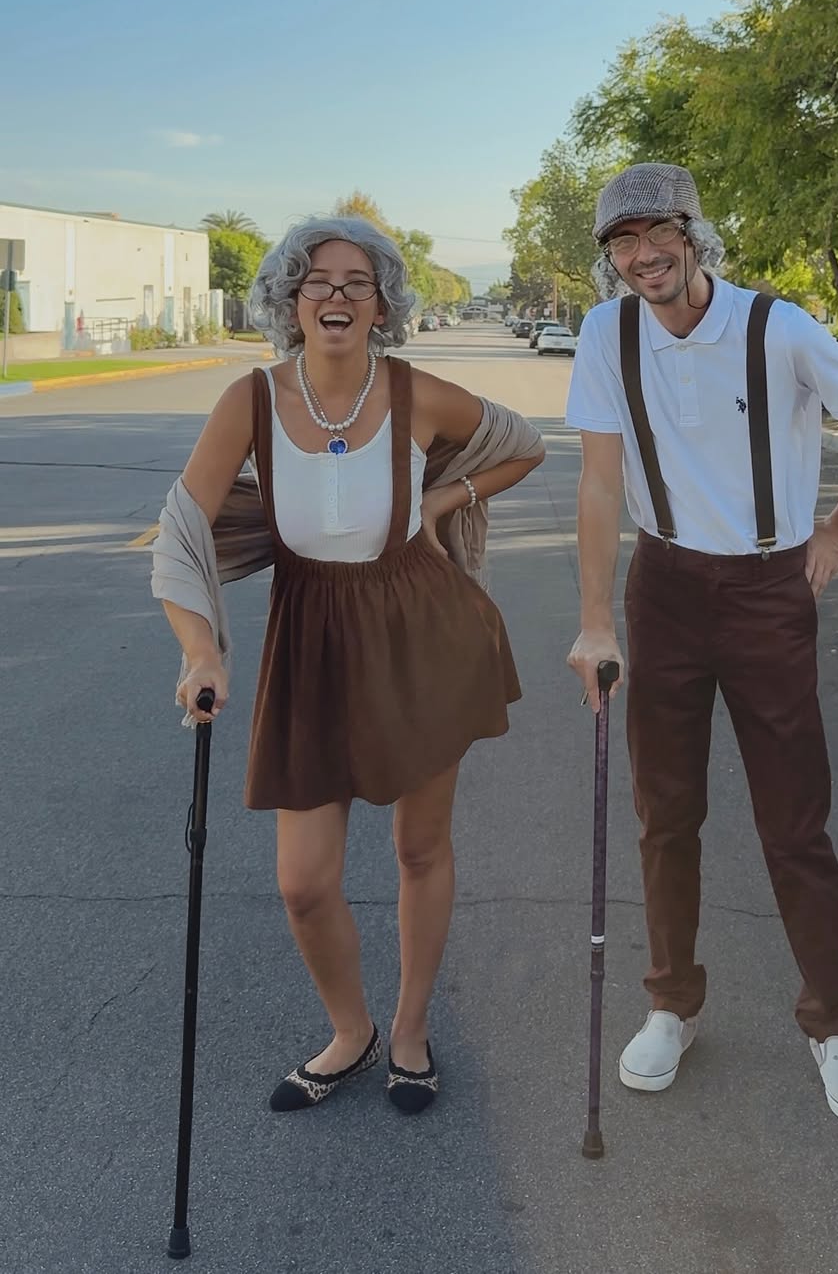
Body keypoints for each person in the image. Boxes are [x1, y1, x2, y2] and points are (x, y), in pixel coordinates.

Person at [152, 216, 544, 1116]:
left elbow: (524, 442)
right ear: (291, 299)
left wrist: (443, 500)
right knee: (303, 882)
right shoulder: (251, 400)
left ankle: (409, 1029)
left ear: (381, 303)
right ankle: (351, 1029)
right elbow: (181, 531)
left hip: (421, 635)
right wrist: (201, 649)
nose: (336, 294)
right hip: (311, 646)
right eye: (317, 280)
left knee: (419, 847)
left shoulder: (414, 392)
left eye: (357, 281)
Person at [565, 164, 838, 1123]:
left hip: (768, 591)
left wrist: (836, 530)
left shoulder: (777, 327)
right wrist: (596, 618)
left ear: (694, 233)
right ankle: (671, 1004)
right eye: (623, 242)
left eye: (658, 233)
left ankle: (832, 1023)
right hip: (665, 587)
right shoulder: (606, 334)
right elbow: (600, 482)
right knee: (665, 812)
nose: (643, 256)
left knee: (794, 821)